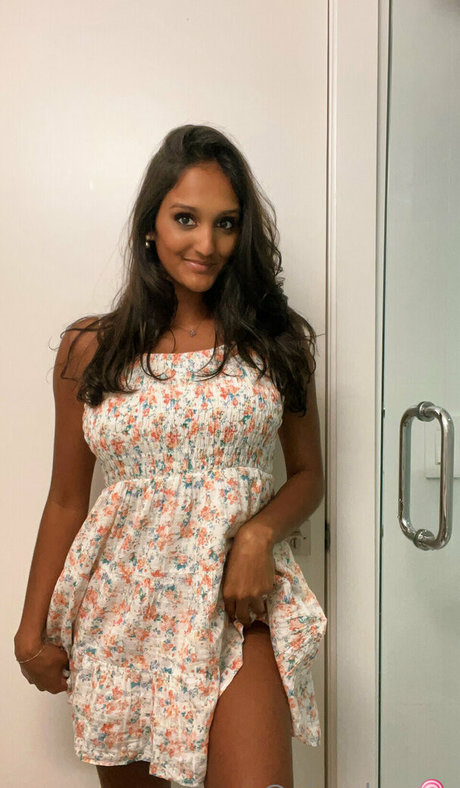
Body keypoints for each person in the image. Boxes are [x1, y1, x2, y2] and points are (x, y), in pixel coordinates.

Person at [14, 124, 327, 788]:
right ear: (151, 223)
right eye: (186, 218)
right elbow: (67, 498)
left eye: (226, 223)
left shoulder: (274, 341)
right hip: (121, 617)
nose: (206, 244)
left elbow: (308, 476)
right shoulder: (90, 348)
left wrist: (258, 534)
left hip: (237, 608)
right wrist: (31, 627)